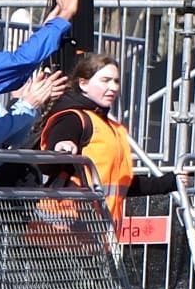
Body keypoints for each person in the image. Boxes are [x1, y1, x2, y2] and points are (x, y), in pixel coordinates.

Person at [34, 53, 176, 226]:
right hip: (59, 235)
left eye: (116, 81)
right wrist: (62, 147)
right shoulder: (73, 118)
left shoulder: (111, 127)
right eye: (105, 80)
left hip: (96, 233)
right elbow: (53, 153)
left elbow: (119, 183)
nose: (113, 87)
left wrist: (169, 182)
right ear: (83, 84)